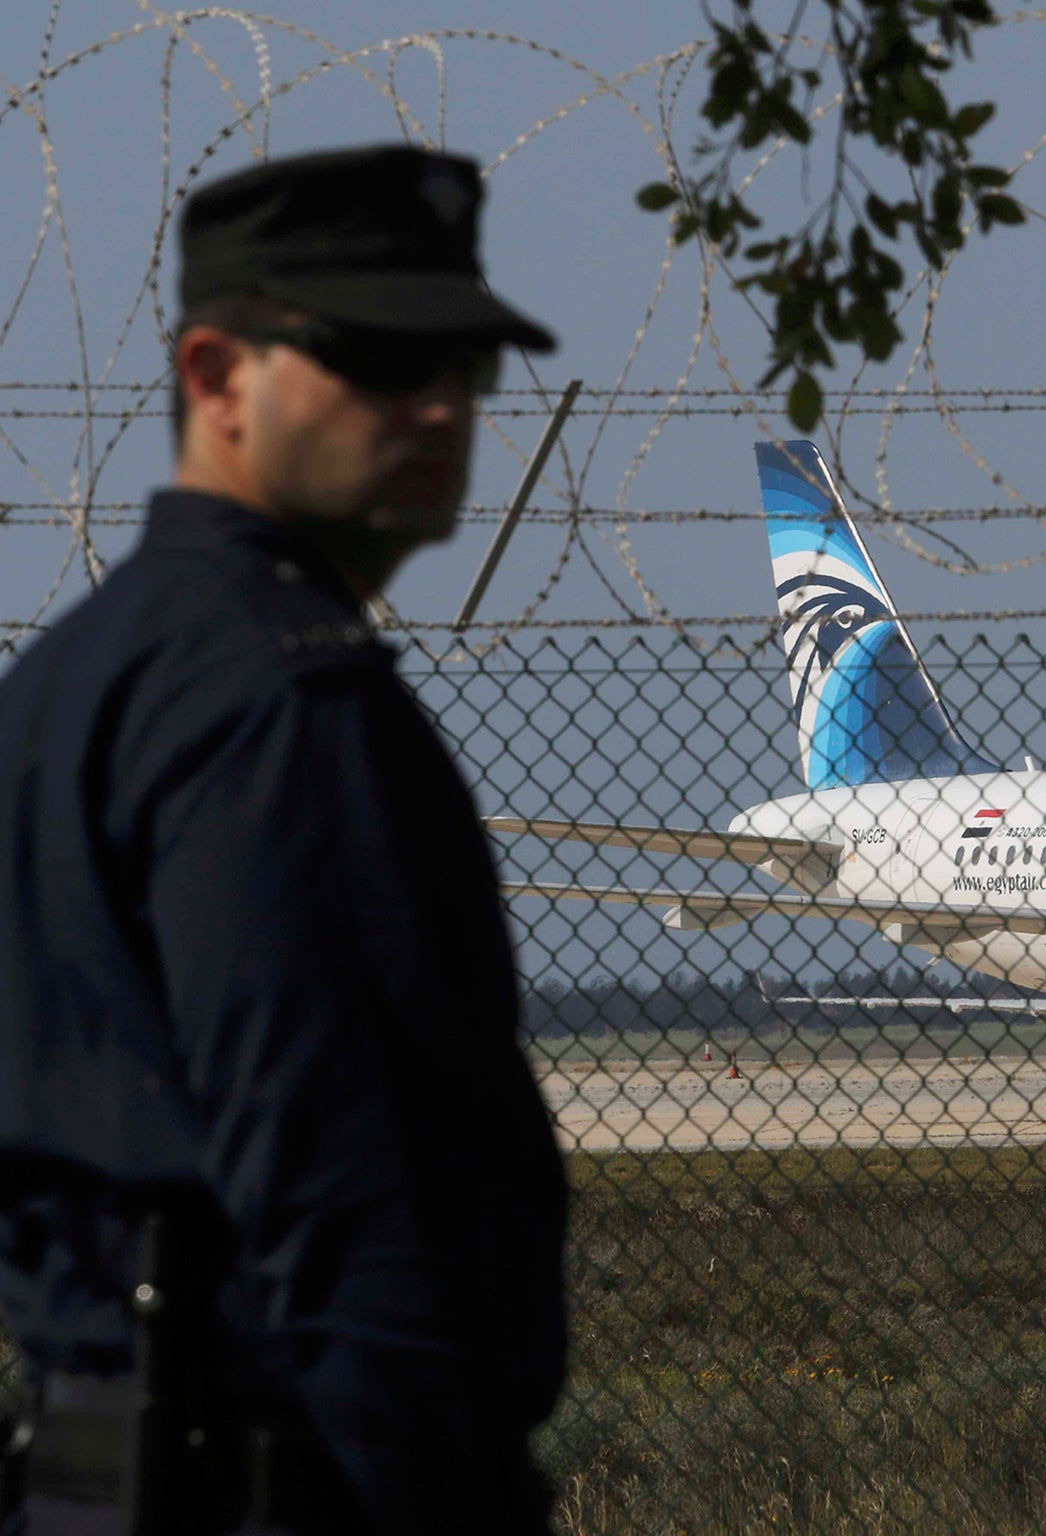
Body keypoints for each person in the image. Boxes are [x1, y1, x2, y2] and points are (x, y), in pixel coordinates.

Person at [0, 146, 568, 1534]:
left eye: (466, 364)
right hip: (288, 1481)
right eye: (372, 356)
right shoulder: (283, 706)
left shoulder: (71, 679)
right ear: (214, 375)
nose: (436, 404)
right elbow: (355, 1208)